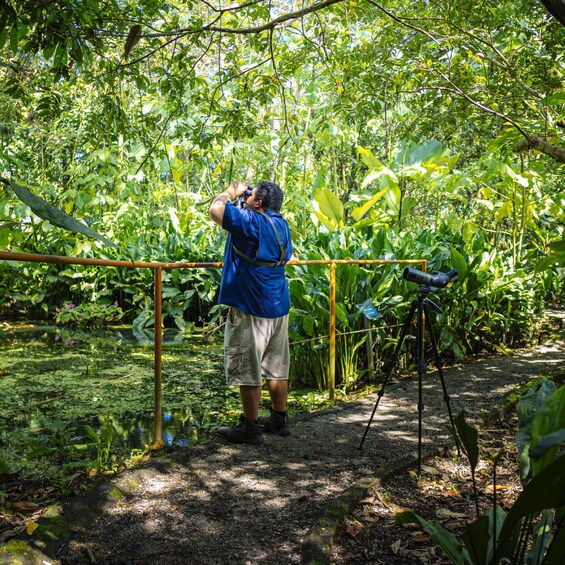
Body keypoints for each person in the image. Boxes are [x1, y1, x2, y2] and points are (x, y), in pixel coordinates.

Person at [209, 180, 293, 445]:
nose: (247, 195)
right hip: (278, 306)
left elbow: (216, 210)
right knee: (276, 366)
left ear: (258, 202)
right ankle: (279, 419)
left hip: (251, 305)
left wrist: (231, 192)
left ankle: (250, 427)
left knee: (249, 367)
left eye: (251, 193)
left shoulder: (251, 222)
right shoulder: (282, 224)